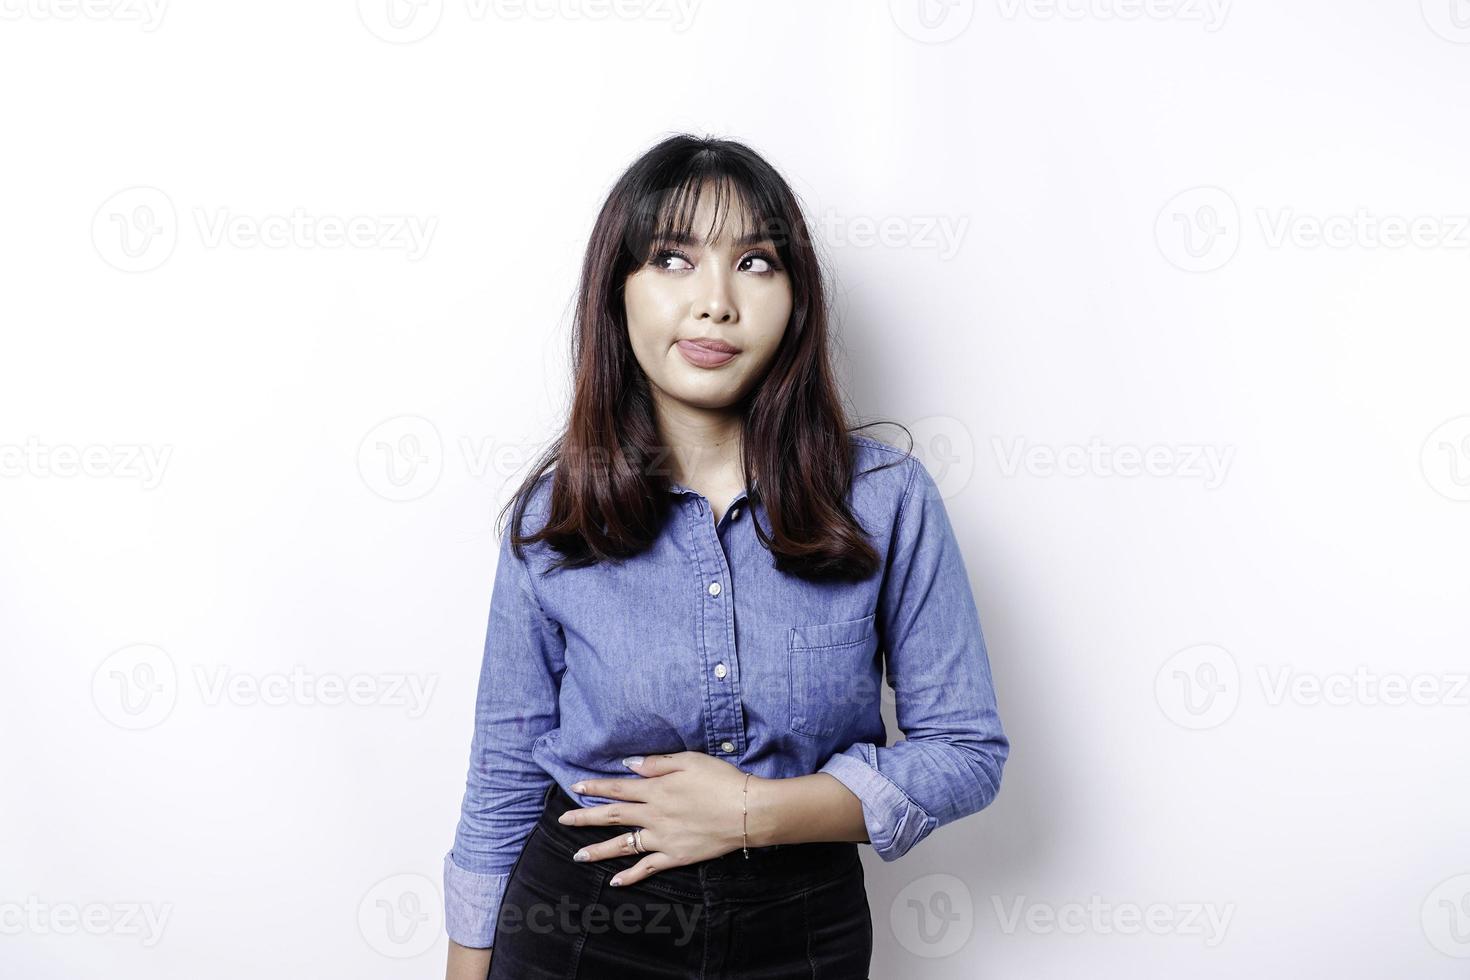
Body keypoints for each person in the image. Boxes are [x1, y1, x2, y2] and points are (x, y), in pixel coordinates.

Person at [443, 133, 1009, 979]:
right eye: (673, 258)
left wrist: (754, 811)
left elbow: (965, 752)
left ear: (796, 295)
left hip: (801, 931)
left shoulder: (888, 499)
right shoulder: (556, 512)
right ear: (618, 291)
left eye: (755, 262)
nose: (715, 302)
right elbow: (502, 774)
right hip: (578, 922)